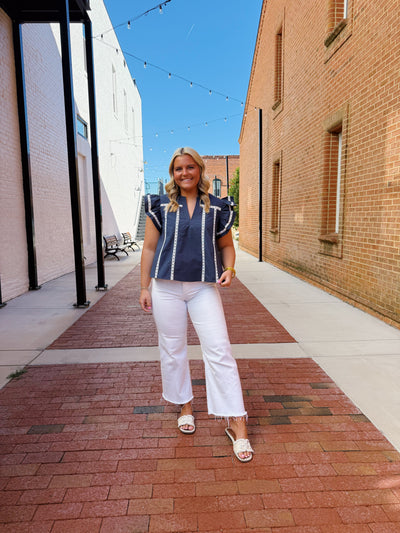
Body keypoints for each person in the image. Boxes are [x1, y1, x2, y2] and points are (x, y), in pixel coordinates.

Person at [139, 147, 253, 462]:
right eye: (178, 169)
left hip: (204, 288)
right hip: (165, 288)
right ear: (172, 173)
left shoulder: (218, 207)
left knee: (220, 350)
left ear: (199, 170)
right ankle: (185, 406)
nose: (185, 173)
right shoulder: (159, 205)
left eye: (190, 167)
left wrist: (229, 269)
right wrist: (143, 286)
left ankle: (236, 422)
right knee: (173, 349)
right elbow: (149, 248)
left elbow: (227, 246)